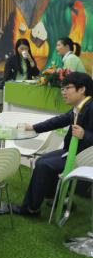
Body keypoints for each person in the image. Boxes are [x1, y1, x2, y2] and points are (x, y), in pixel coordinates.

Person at [12, 72, 93, 216]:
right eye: (63, 89)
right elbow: (59, 120)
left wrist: (84, 135)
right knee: (42, 160)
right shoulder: (81, 106)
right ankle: (57, 198)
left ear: (82, 89)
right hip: (72, 151)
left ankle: (31, 209)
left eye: (67, 88)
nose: (63, 92)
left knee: (44, 165)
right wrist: (34, 127)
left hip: (84, 158)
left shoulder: (90, 107)